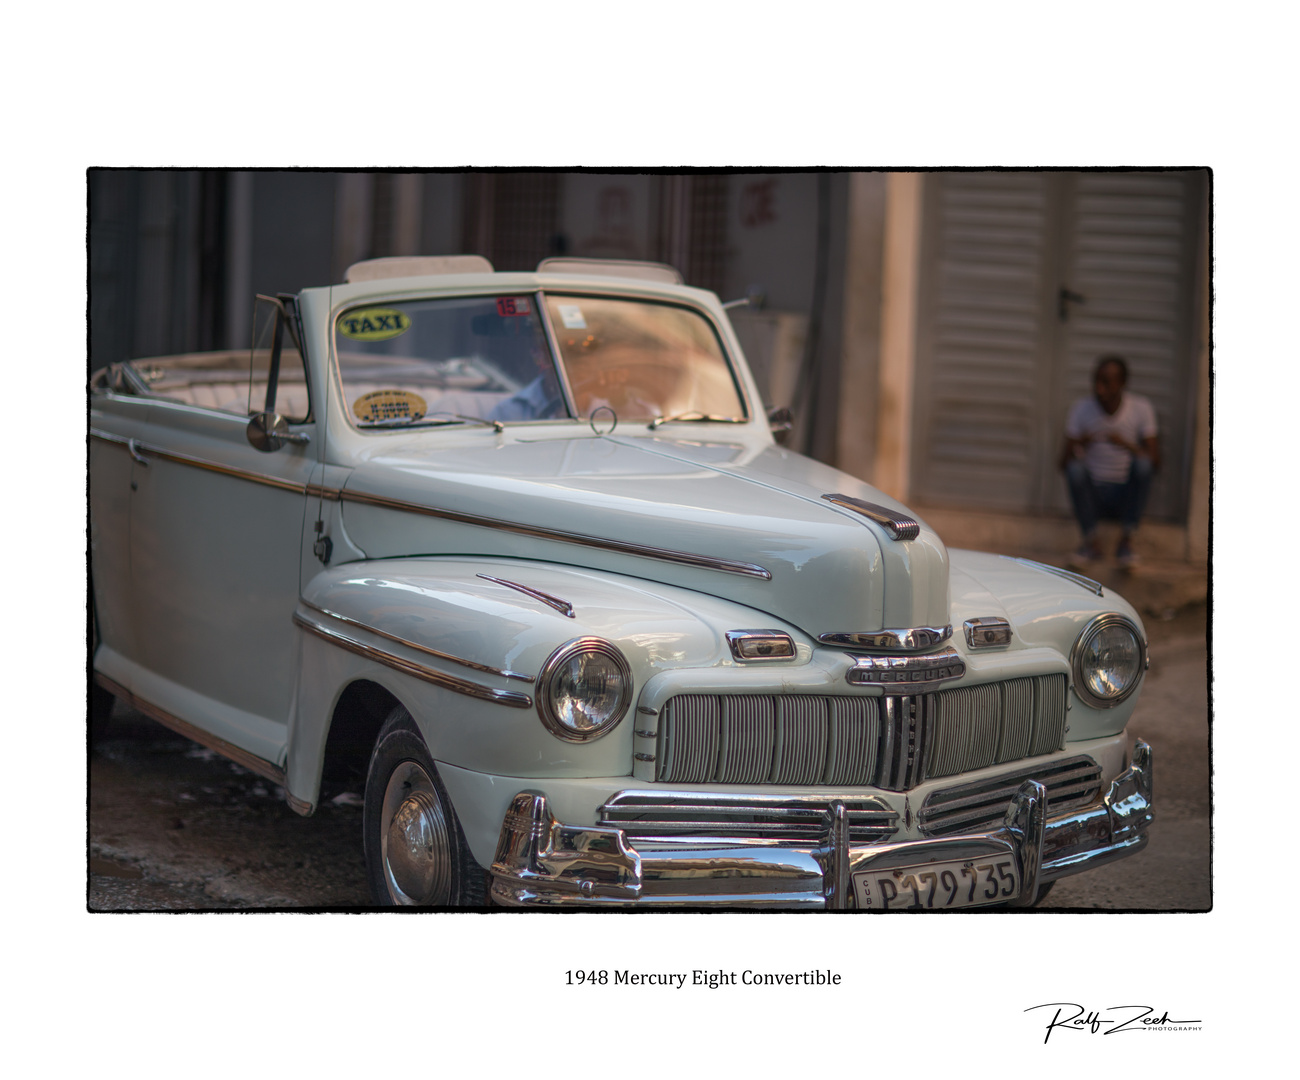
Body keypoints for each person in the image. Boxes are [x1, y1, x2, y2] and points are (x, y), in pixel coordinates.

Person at [1060, 354, 1160, 569]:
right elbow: (1063, 463)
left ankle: (1126, 542)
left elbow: (1155, 462)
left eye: (1106, 382)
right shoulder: (1082, 408)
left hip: (1124, 493)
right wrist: (1080, 443)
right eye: (1096, 381)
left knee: (1142, 466)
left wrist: (1127, 445)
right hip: (1094, 493)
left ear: (1122, 384)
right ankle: (1090, 543)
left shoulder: (1140, 408)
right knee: (1075, 470)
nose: (1099, 389)